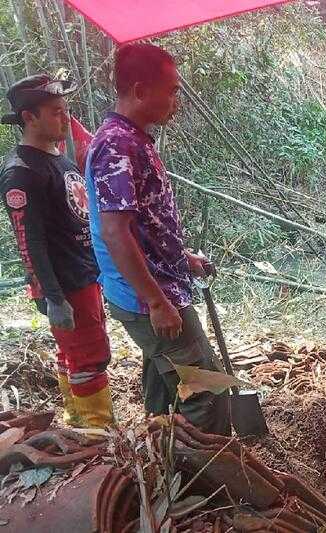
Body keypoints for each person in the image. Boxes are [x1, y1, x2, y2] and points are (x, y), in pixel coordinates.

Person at [85, 43, 225, 434]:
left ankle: (158, 459)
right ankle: (203, 485)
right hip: (148, 296)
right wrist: (156, 302)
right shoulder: (117, 145)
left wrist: (183, 258)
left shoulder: (132, 139)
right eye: (172, 90)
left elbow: (145, 222)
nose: (176, 101)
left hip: (157, 284)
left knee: (164, 380)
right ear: (141, 90)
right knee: (206, 393)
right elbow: (115, 232)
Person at [0, 75, 114, 428]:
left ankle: (80, 421)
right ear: (29, 117)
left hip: (82, 274)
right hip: (63, 283)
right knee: (89, 357)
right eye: (55, 112)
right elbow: (27, 240)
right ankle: (98, 432)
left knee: (75, 353)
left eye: (65, 110)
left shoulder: (57, 157)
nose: (65, 118)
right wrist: (52, 297)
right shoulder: (22, 171)